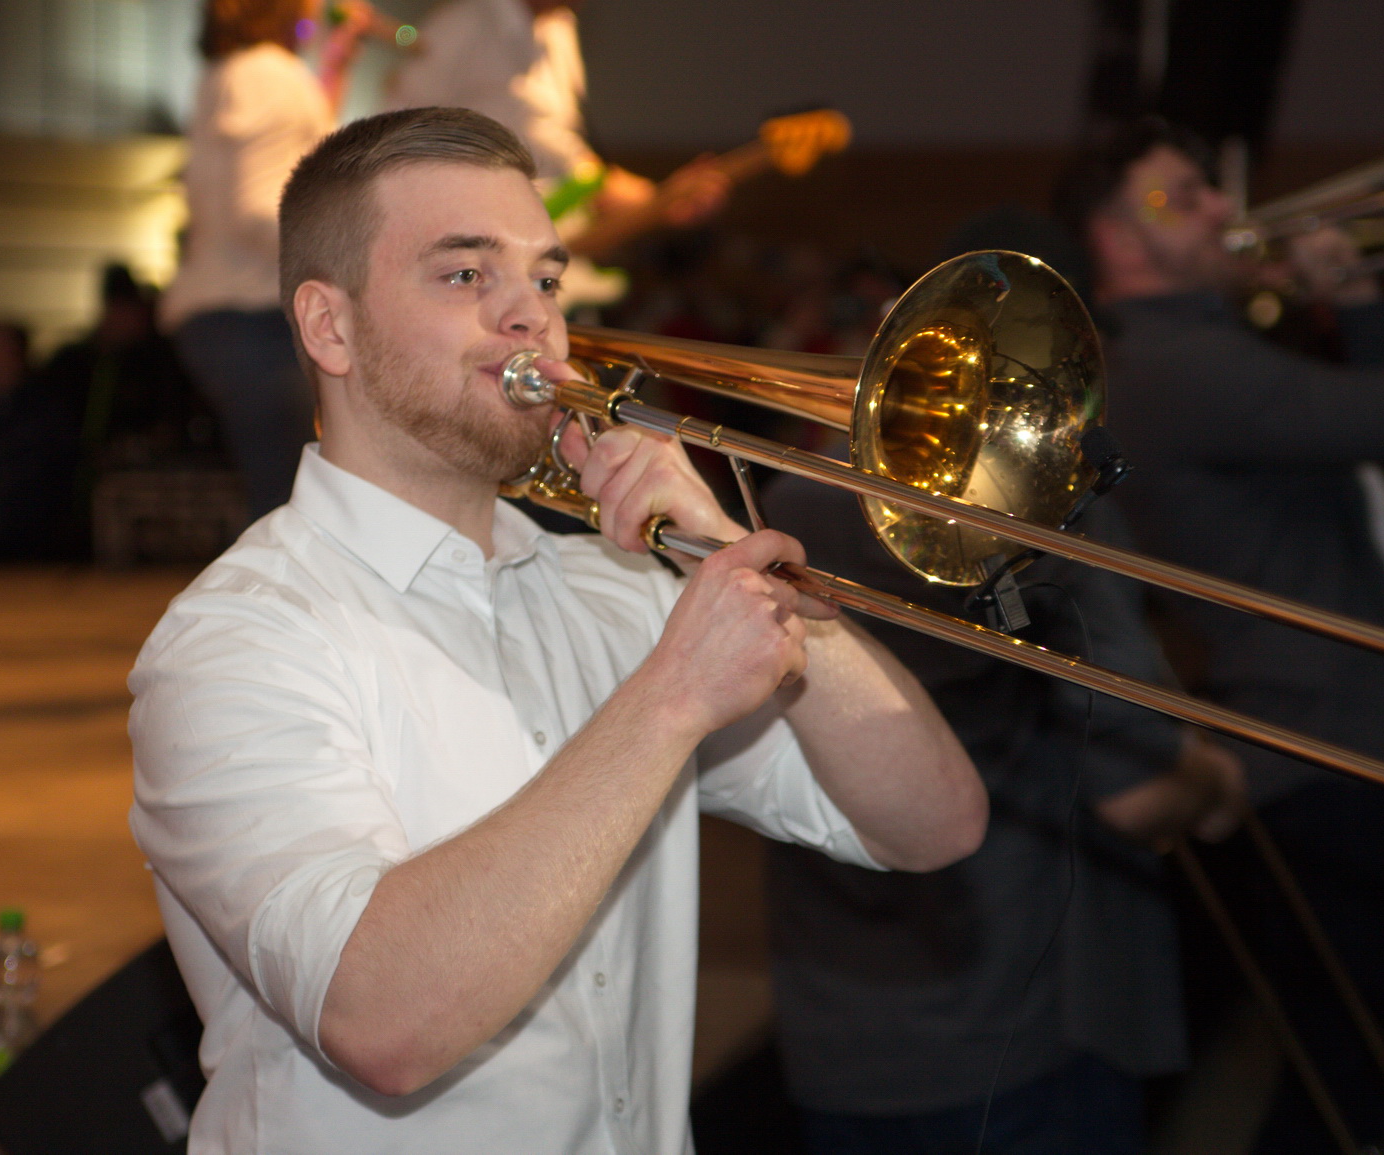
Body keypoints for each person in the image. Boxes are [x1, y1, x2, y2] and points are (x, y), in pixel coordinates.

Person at [128, 106, 988, 1153]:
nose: (529, 317)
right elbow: (383, 1024)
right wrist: (668, 700)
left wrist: (729, 548)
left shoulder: (616, 593)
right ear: (330, 327)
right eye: (464, 274)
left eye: (545, 279)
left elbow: (932, 823)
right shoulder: (234, 642)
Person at [1054, 118, 1384, 1155]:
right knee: (1350, 1083)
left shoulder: (1201, 347)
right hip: (1338, 756)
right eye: (1182, 196)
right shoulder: (1175, 366)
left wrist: (1356, 303)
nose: (1222, 207)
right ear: (1119, 240)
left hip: (1364, 741)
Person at [758, 209, 1244, 1155]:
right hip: (1021, 1029)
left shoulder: (780, 503)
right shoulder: (1053, 520)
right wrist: (1219, 781)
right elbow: (1137, 794)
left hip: (837, 1030)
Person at [160, 0, 384, 522]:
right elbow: (260, 210)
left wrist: (335, 63)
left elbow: (297, 161)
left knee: (292, 500)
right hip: (254, 317)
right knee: (298, 505)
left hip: (230, 316)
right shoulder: (269, 74)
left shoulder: (236, 72)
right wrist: (359, 270)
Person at [382, 0, 729, 269]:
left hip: (542, 238)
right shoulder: (463, 25)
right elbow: (395, 138)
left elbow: (558, 149)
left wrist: (656, 199)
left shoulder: (559, 27)